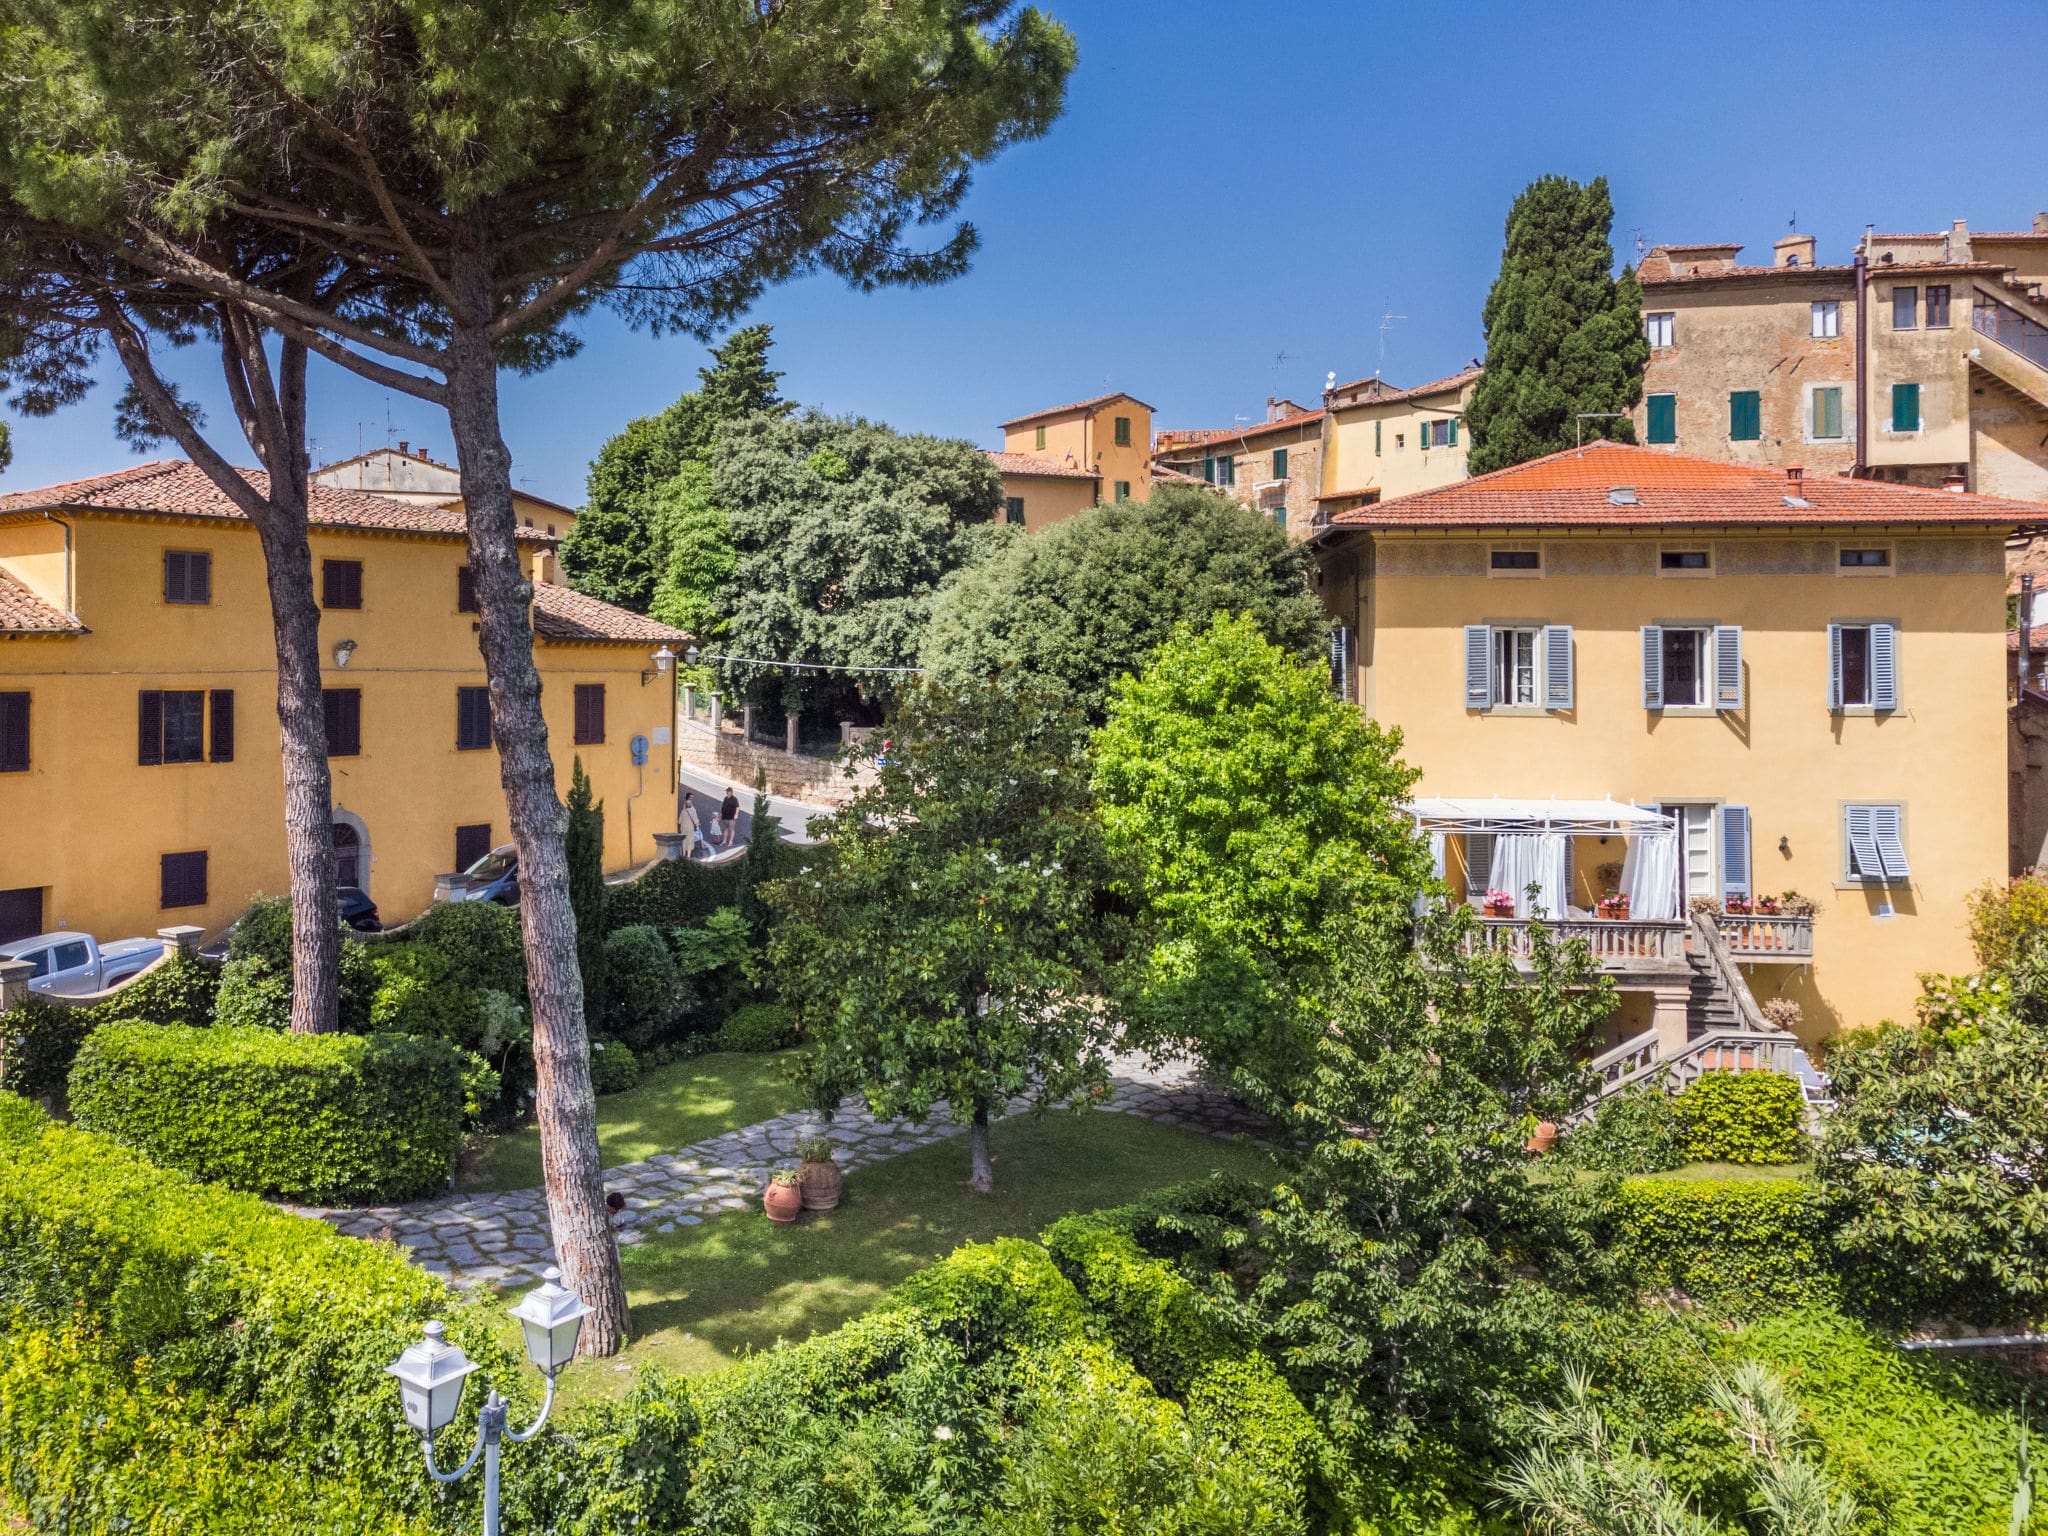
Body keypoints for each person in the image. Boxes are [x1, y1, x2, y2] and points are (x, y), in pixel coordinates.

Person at [680, 791, 704, 859]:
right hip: (691, 824)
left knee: (692, 838)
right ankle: (689, 854)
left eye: (692, 797)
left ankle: (687, 854)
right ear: (688, 797)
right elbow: (690, 814)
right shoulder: (687, 804)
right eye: (691, 797)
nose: (692, 798)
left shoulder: (688, 804)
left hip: (690, 824)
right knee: (690, 839)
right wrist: (696, 822)